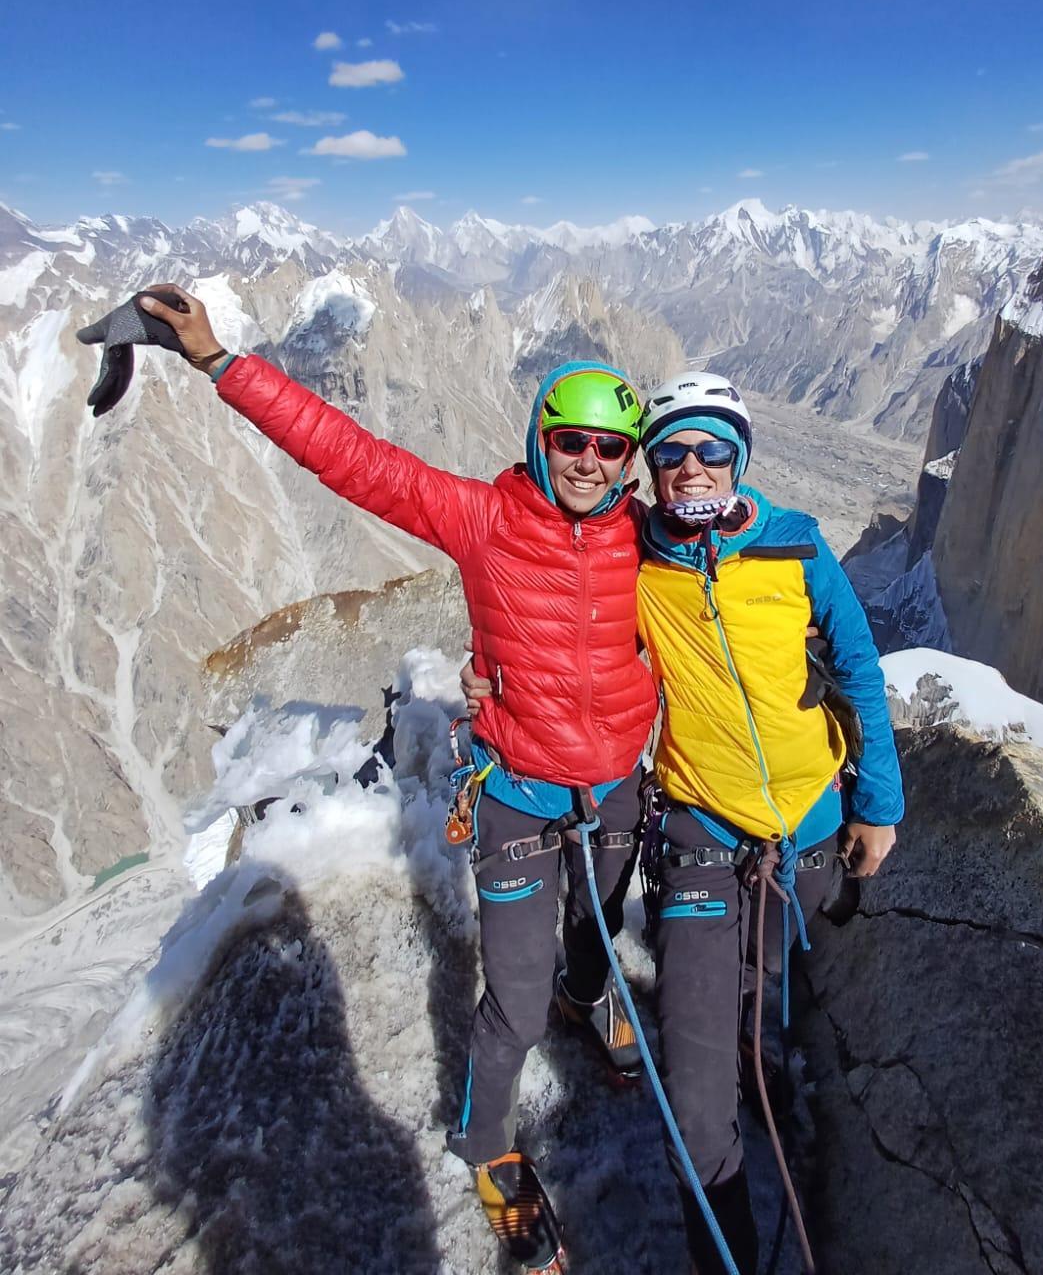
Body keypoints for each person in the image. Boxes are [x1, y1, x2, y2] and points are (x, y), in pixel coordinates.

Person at [131, 285, 658, 1273]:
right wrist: (218, 361)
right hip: (519, 796)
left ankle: (588, 997)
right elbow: (353, 459)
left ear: (631, 459)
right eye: (571, 441)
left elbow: (730, 550)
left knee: (595, 937)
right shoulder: (484, 519)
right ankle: (487, 1143)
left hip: (618, 790)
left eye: (610, 447)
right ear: (541, 441)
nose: (590, 462)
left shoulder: (648, 534)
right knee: (513, 998)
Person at [635, 370, 903, 1275]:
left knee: (770, 987)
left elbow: (859, 666)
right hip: (702, 834)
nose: (692, 467)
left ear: (739, 458)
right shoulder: (634, 559)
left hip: (810, 829)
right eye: (671, 452)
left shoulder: (797, 546)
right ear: (651, 469)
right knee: (694, 1093)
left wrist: (878, 806)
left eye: (712, 449)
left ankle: (768, 1067)